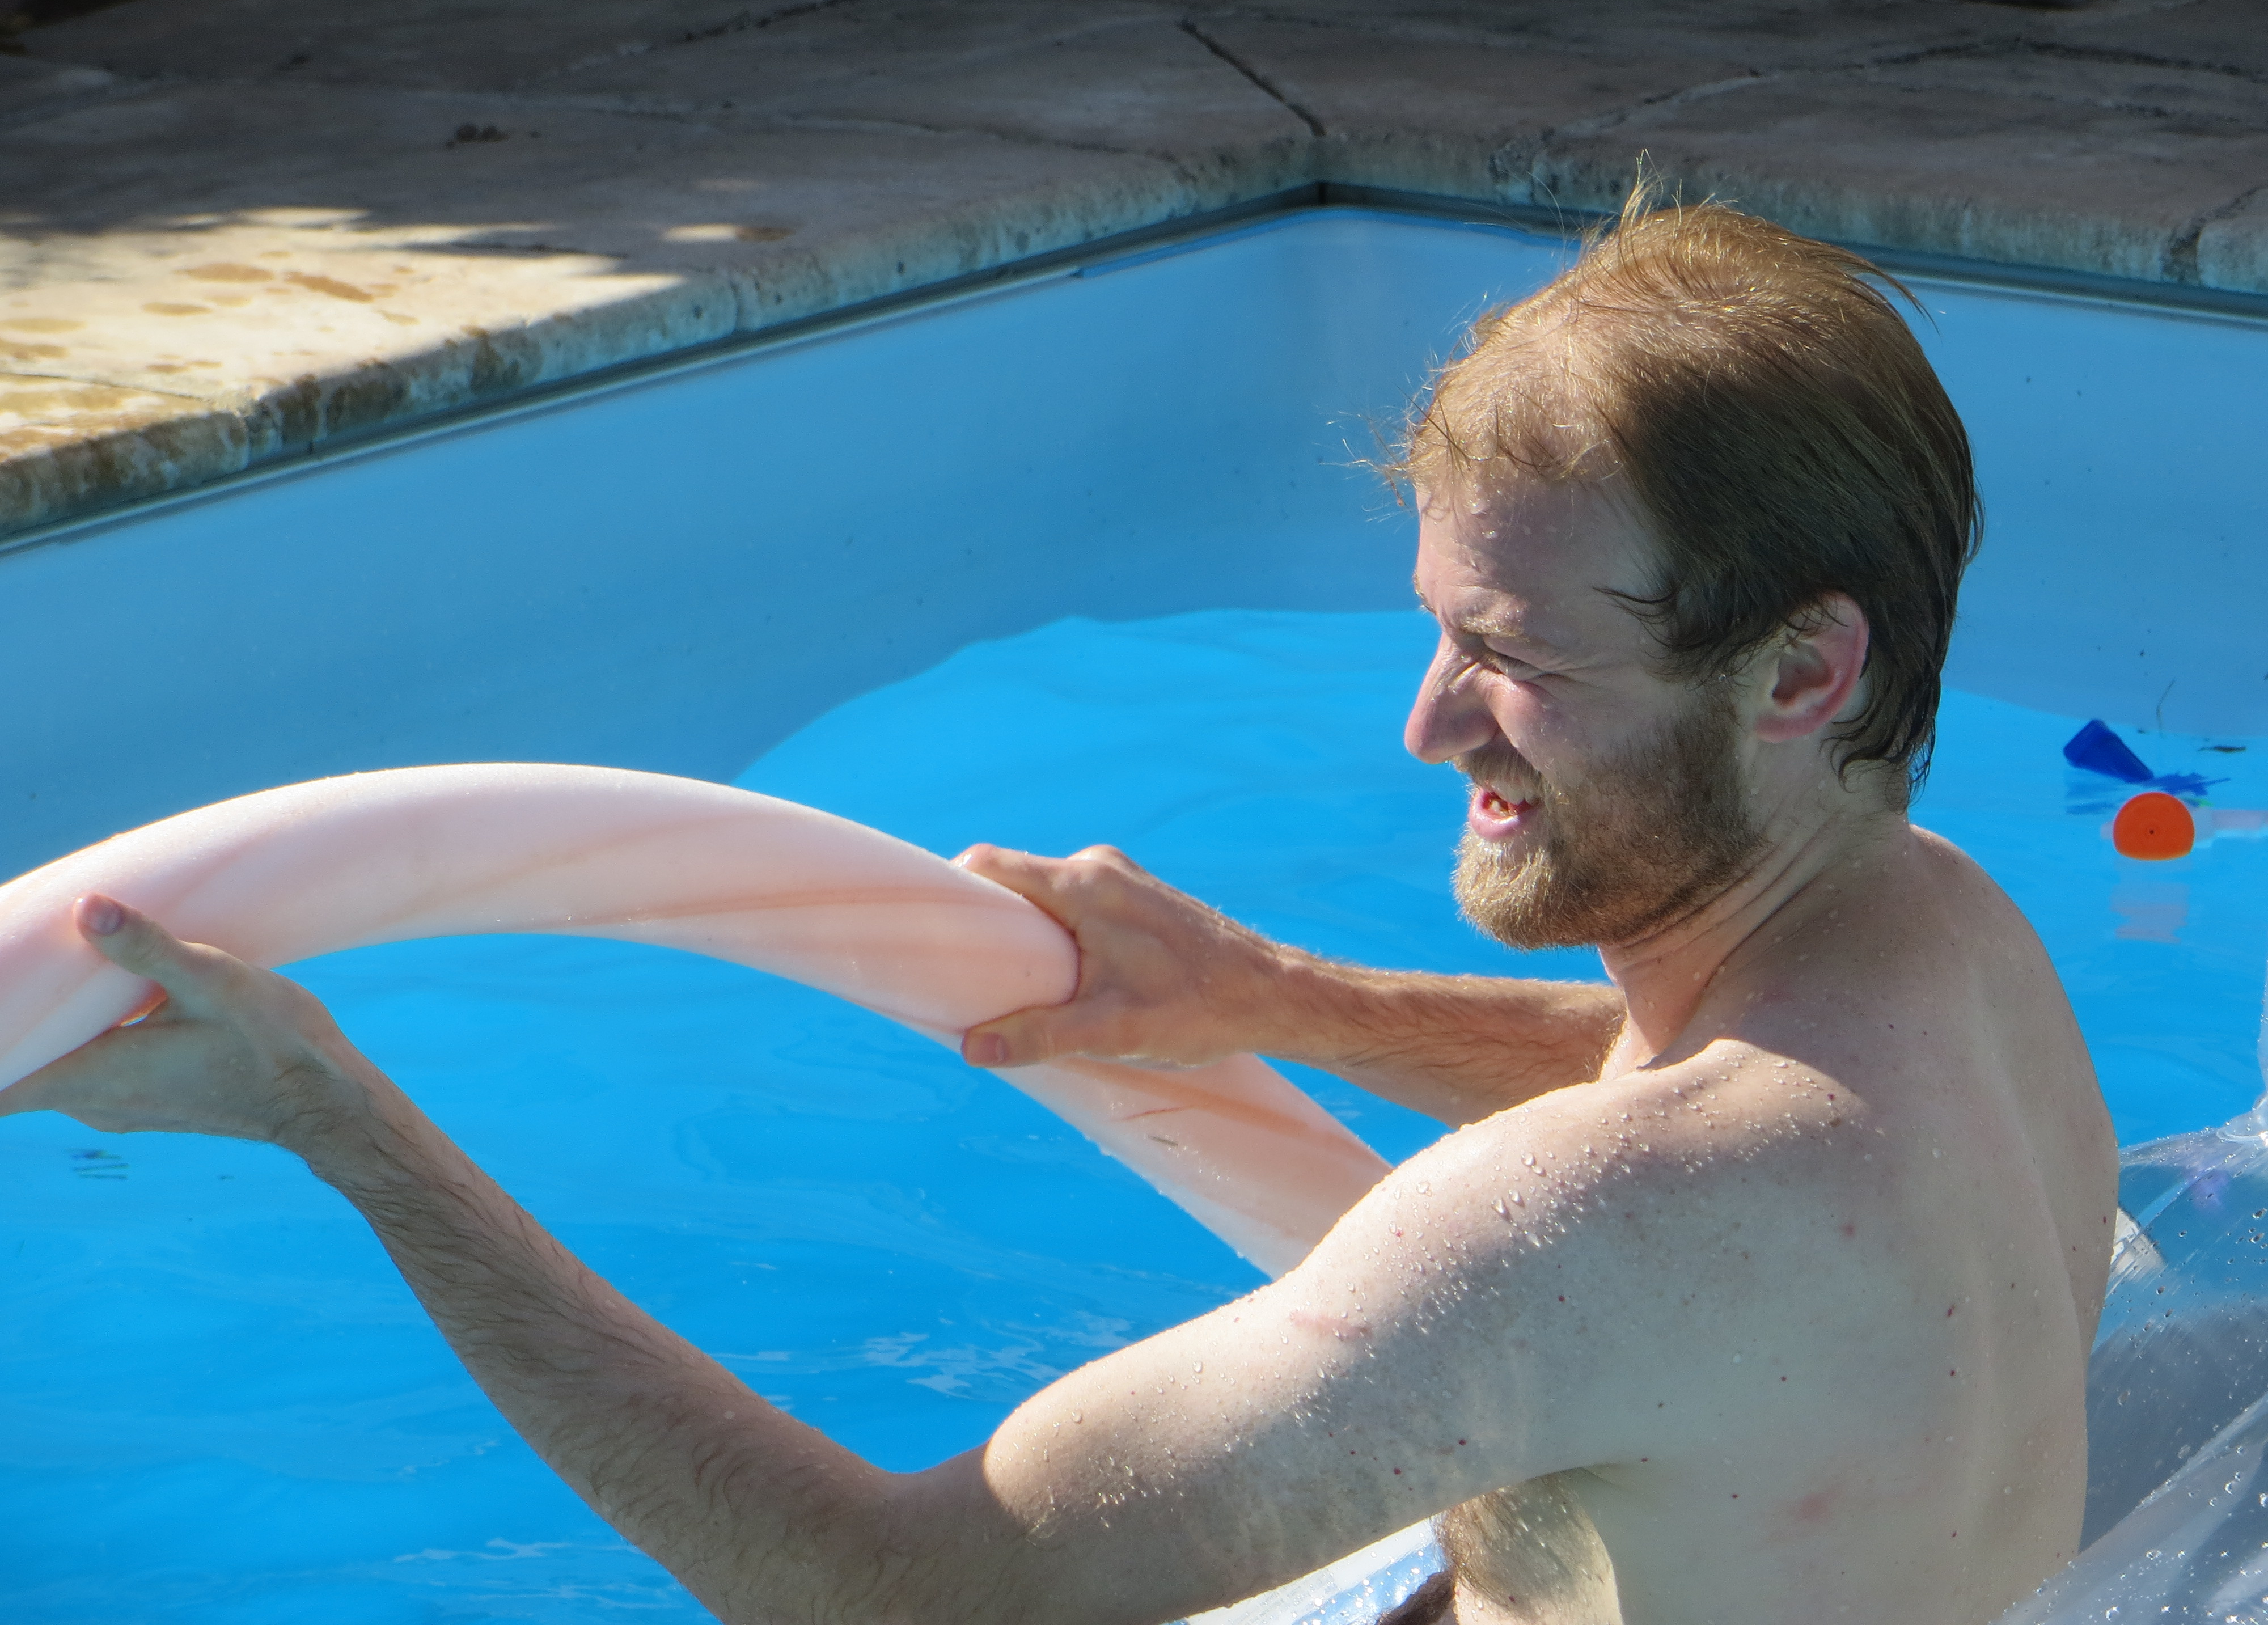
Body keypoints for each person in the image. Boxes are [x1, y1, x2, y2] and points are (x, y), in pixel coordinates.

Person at [0, 197, 2116, 1625]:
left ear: (1801, 669)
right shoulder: (1954, 959)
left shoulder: (1578, 1239)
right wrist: (1264, 996)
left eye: (1516, 656)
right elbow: (1668, 1080)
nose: (1425, 723)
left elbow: (881, 1593)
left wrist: (342, 1120)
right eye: (1436, 628)